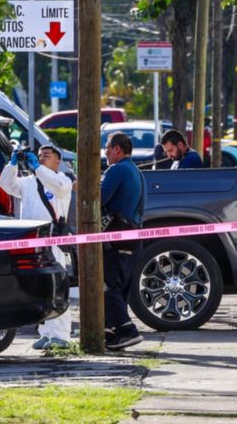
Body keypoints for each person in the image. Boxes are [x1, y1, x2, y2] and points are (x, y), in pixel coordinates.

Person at [0, 144, 74, 350]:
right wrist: (12, 164)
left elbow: (57, 187)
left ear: (57, 161)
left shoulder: (62, 181)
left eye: (46, 156)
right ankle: (46, 333)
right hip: (33, 243)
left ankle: (61, 335)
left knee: (57, 288)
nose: (40, 158)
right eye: (38, 156)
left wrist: (38, 168)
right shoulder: (28, 183)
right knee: (40, 290)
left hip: (53, 241)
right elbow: (5, 184)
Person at [101, 132, 145, 350]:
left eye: (107, 147)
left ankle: (127, 331)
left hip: (117, 241)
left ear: (117, 149)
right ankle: (110, 332)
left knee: (107, 287)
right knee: (119, 288)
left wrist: (79, 187)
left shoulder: (116, 170)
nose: (105, 152)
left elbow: (98, 198)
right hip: (134, 239)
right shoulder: (136, 171)